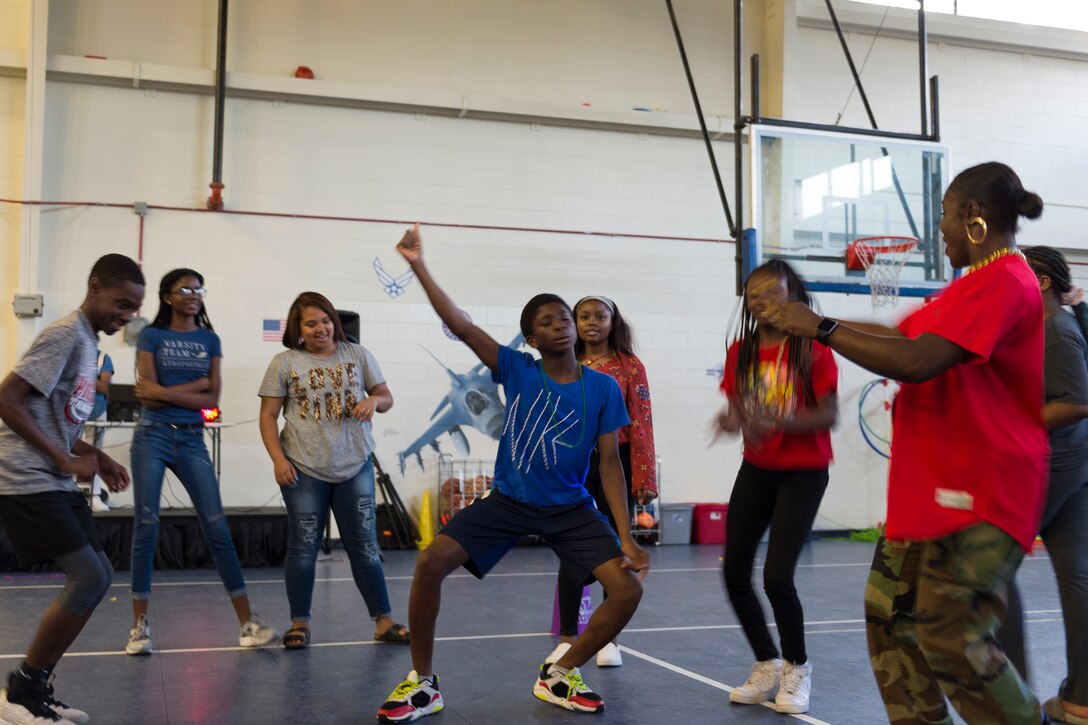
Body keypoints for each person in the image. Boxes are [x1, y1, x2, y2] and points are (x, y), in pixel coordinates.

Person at [757, 161, 1048, 724]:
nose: (939, 228)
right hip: (927, 495)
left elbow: (918, 362)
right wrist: (813, 319)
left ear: (974, 216)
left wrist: (818, 329)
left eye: (943, 214)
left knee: (950, 633)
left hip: (978, 493)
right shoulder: (967, 288)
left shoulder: (1008, 280)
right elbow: (900, 336)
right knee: (890, 624)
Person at [376, 225, 649, 723]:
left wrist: (627, 536)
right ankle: (423, 684)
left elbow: (609, 463)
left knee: (627, 589)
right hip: (508, 500)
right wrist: (418, 266)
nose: (561, 324)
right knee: (430, 562)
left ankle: (561, 673)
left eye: (564, 316)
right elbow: (460, 325)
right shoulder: (517, 369)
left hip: (570, 508)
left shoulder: (605, 388)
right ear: (532, 338)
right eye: (548, 321)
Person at [0, 254, 144, 724]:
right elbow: (7, 398)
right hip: (25, 475)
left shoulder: (89, 344)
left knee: (98, 576)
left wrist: (96, 457)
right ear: (95, 286)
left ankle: (31, 685)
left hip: (53, 475)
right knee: (88, 577)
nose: (125, 317)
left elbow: (55, 418)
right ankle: (22, 693)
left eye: (132, 310)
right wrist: (63, 457)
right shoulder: (65, 334)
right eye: (121, 304)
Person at [126, 268, 278, 655]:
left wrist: (165, 390)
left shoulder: (210, 340)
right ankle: (139, 627)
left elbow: (212, 403)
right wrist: (194, 387)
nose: (194, 294)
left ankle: (247, 622)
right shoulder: (151, 336)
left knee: (217, 526)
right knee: (146, 523)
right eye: (185, 288)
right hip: (152, 435)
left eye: (199, 288)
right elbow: (145, 398)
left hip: (192, 438)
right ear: (167, 296)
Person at [711, 259, 839, 714]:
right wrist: (731, 419)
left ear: (794, 295)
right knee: (734, 572)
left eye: (773, 291)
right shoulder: (740, 352)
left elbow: (829, 414)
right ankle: (765, 663)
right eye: (754, 293)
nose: (762, 300)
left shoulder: (813, 348)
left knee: (777, 577)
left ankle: (797, 667)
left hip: (804, 472)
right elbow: (736, 408)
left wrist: (782, 419)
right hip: (757, 468)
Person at [258, 291, 408, 649]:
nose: (320, 328)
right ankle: (300, 623)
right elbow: (267, 416)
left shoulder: (357, 355)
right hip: (302, 468)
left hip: (354, 465)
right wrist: (279, 460)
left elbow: (386, 397)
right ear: (298, 329)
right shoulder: (285, 362)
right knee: (303, 546)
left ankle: (383, 621)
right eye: (311, 323)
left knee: (366, 548)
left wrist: (374, 400)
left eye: (325, 320)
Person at [546, 294, 657, 669]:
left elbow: (641, 421)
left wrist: (644, 475)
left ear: (614, 322)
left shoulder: (630, 366)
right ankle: (566, 639)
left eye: (600, 316)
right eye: (584, 316)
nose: (592, 322)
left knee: (613, 546)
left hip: (616, 463)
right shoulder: (564, 362)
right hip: (571, 463)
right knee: (571, 545)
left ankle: (609, 638)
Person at [1019, 247, 1088, 725]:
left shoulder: (1056, 329)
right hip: (1073, 462)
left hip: (1057, 463)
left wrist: (1008, 426)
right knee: (1077, 577)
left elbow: (1077, 401)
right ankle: (1081, 699)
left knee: (989, 572)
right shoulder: (1047, 326)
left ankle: (1010, 704)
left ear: (1041, 282)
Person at [81, 352, 114, 512]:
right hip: (71, 411)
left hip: (96, 412)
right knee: (66, 453)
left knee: (95, 455)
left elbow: (105, 387)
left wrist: (80, 376)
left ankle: (94, 497)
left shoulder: (103, 358)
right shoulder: (73, 353)